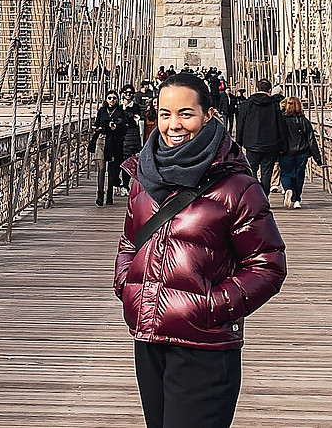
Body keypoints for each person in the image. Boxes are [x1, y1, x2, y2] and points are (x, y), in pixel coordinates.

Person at [115, 73, 287, 428]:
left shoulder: (237, 186)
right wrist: (127, 288)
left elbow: (267, 265)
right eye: (165, 114)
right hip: (149, 338)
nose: (173, 125)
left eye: (185, 114)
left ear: (208, 114)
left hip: (204, 345)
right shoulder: (143, 177)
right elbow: (130, 243)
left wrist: (211, 306)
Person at [235, 78, 287, 195]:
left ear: (256, 89)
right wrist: (283, 143)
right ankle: (264, 194)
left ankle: (255, 194)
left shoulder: (247, 104)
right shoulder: (274, 105)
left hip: (252, 143)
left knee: (252, 169)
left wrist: (238, 142)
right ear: (269, 90)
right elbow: (281, 126)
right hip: (271, 143)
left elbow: (240, 124)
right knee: (267, 172)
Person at [278, 96, 323, 209]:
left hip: (285, 152)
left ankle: (288, 189)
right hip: (301, 152)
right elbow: (311, 140)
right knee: (299, 175)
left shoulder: (282, 121)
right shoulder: (304, 121)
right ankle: (297, 199)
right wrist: (317, 158)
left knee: (286, 174)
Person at [92, 90, 129, 206]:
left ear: (117, 100)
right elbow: (97, 124)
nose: (112, 100)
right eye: (109, 98)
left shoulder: (120, 113)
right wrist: (101, 128)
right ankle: (99, 195)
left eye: (114, 98)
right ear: (106, 99)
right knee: (101, 168)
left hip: (114, 143)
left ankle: (109, 194)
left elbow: (124, 129)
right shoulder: (102, 111)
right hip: (101, 141)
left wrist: (116, 127)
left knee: (112, 170)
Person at [119, 85, 144, 193]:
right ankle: (118, 182)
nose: (128, 95)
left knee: (128, 162)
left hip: (132, 137)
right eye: (126, 92)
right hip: (119, 137)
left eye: (130, 93)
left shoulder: (135, 107)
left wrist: (125, 118)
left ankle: (125, 185)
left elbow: (135, 122)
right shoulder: (118, 106)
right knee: (117, 163)